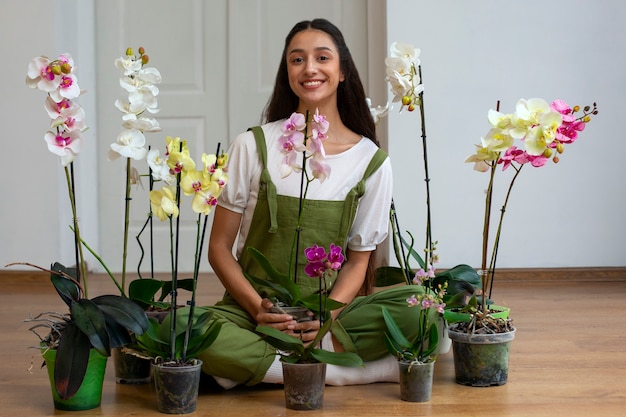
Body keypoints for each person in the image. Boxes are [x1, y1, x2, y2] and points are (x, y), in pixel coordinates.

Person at [197, 18, 423, 388]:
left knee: (421, 311)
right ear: (287, 71)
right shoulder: (253, 145)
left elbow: (357, 261)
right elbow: (219, 248)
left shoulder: (371, 162)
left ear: (343, 70)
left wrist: (327, 316)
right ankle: (340, 372)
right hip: (252, 312)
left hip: (328, 315)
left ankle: (254, 368)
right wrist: (258, 310)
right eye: (297, 60)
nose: (310, 68)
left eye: (322, 57)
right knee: (183, 327)